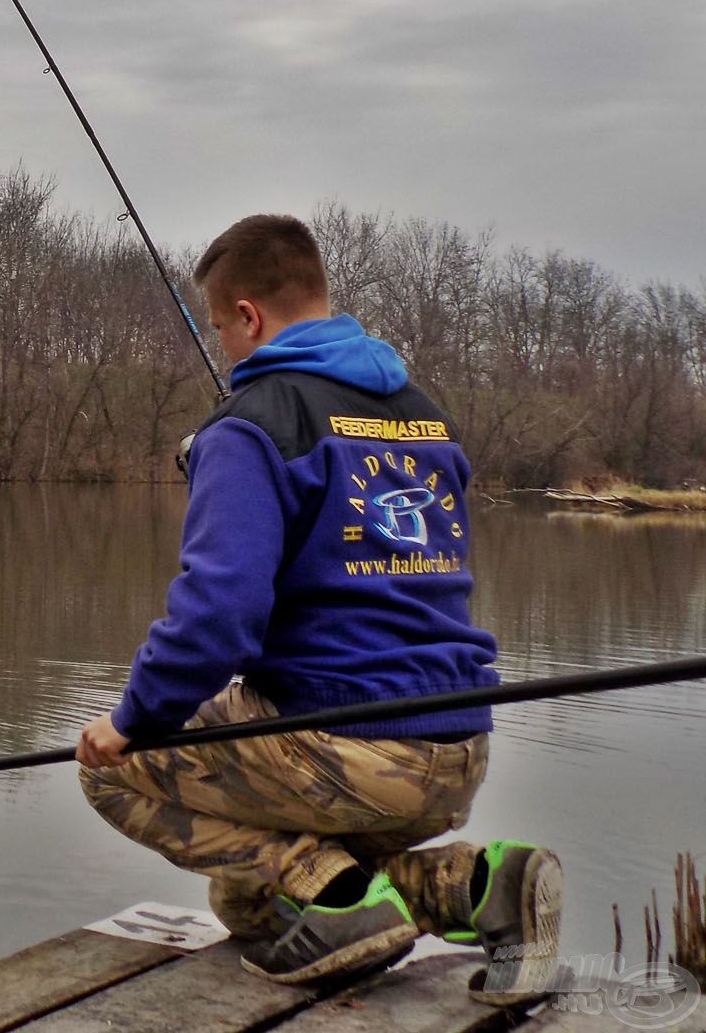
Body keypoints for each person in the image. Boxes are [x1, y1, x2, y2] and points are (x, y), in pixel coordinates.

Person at [76, 213, 560, 1001]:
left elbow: (217, 618)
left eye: (220, 327)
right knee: (245, 902)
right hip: (460, 745)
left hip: (347, 748)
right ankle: (479, 885)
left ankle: (335, 897)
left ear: (248, 317)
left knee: (113, 775)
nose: (226, 347)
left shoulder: (251, 426)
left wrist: (131, 722)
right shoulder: (425, 414)